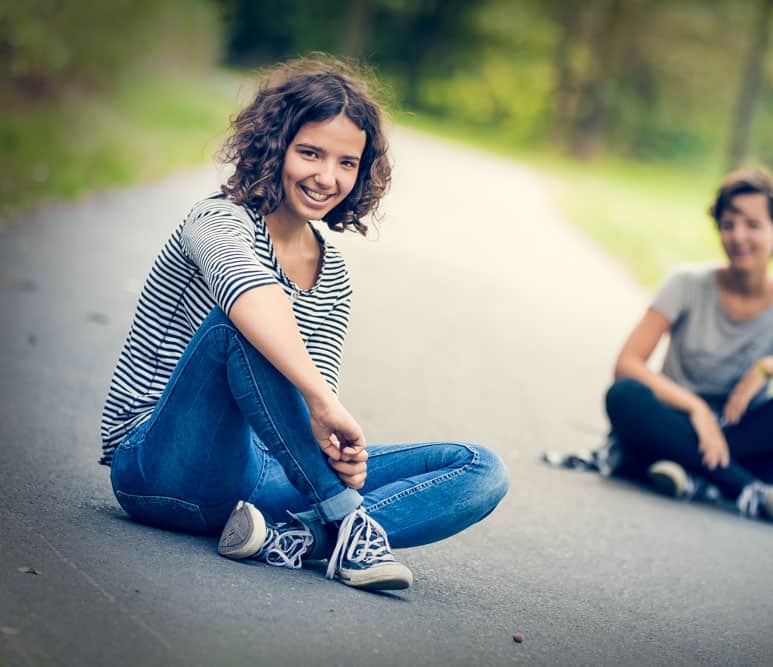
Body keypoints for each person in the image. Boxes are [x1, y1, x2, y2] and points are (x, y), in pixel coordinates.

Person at [99, 56, 509, 591]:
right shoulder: (217, 220)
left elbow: (301, 419)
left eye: (346, 162)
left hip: (258, 484)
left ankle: (292, 538)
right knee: (236, 330)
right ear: (275, 147)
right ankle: (341, 520)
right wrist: (324, 406)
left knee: (478, 467)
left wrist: (339, 457)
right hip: (158, 463)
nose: (326, 176)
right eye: (310, 153)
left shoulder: (332, 272)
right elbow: (250, 297)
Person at [603, 168, 773, 522]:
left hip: (741, 438)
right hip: (672, 422)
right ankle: (742, 487)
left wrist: (769, 367)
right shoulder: (685, 284)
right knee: (624, 396)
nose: (738, 236)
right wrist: (697, 409)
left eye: (752, 225)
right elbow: (628, 363)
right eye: (728, 225)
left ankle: (683, 473)